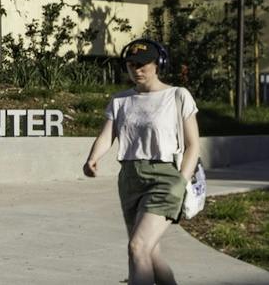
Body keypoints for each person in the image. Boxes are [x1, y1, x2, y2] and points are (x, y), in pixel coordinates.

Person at [83, 38, 200, 285]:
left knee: (137, 247)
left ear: (158, 64)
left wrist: (181, 181)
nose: (136, 70)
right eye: (131, 64)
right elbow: (107, 136)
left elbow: (193, 146)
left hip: (165, 179)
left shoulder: (178, 96)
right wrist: (93, 158)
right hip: (129, 179)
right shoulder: (120, 100)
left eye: (142, 64)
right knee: (150, 253)